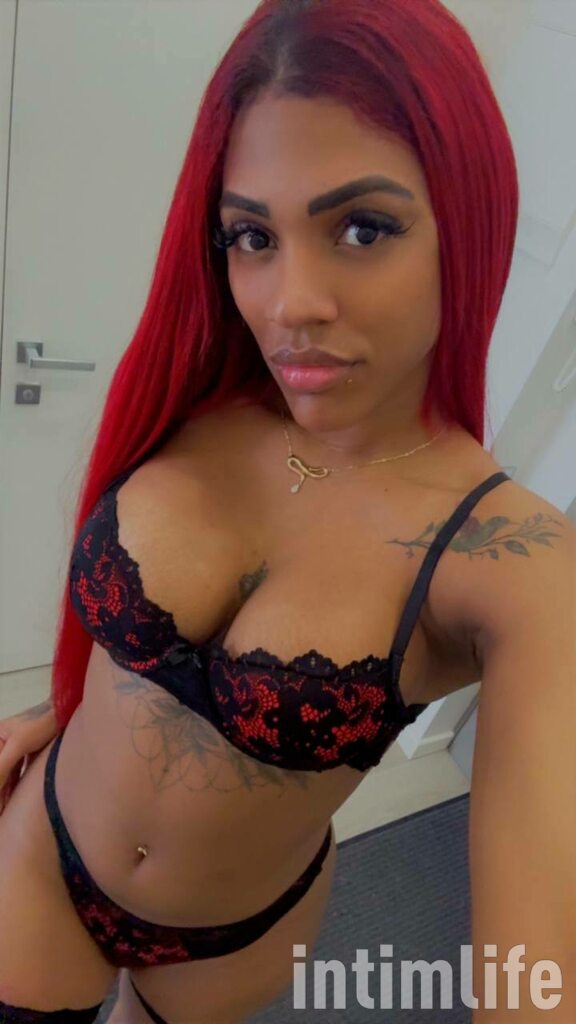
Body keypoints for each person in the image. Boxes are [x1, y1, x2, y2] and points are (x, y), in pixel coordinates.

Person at [1, 0, 574, 1021]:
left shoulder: (511, 559)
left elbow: (535, 978)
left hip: (232, 938)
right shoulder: (203, 397)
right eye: (252, 235)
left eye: (362, 228)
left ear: (468, 220)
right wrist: (63, 710)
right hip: (44, 852)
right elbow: (141, 669)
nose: (289, 302)